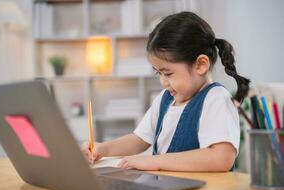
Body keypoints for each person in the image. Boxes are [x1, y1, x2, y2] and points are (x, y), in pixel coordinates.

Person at [84, 11, 250, 172]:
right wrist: (102, 148)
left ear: (200, 65)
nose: (163, 82)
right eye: (159, 73)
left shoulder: (216, 98)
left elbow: (222, 158)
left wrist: (155, 161)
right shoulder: (165, 99)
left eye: (168, 73)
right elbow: (139, 139)